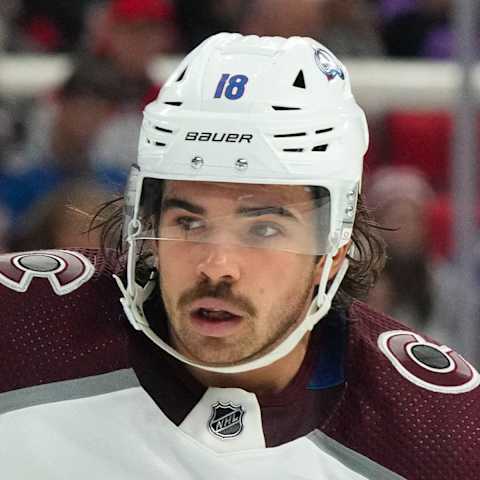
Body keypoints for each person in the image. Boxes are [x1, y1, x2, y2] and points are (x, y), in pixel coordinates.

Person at [1, 33, 479, 479]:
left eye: (264, 229)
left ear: (335, 249)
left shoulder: (439, 437)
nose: (217, 266)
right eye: (188, 223)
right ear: (144, 225)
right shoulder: (20, 332)